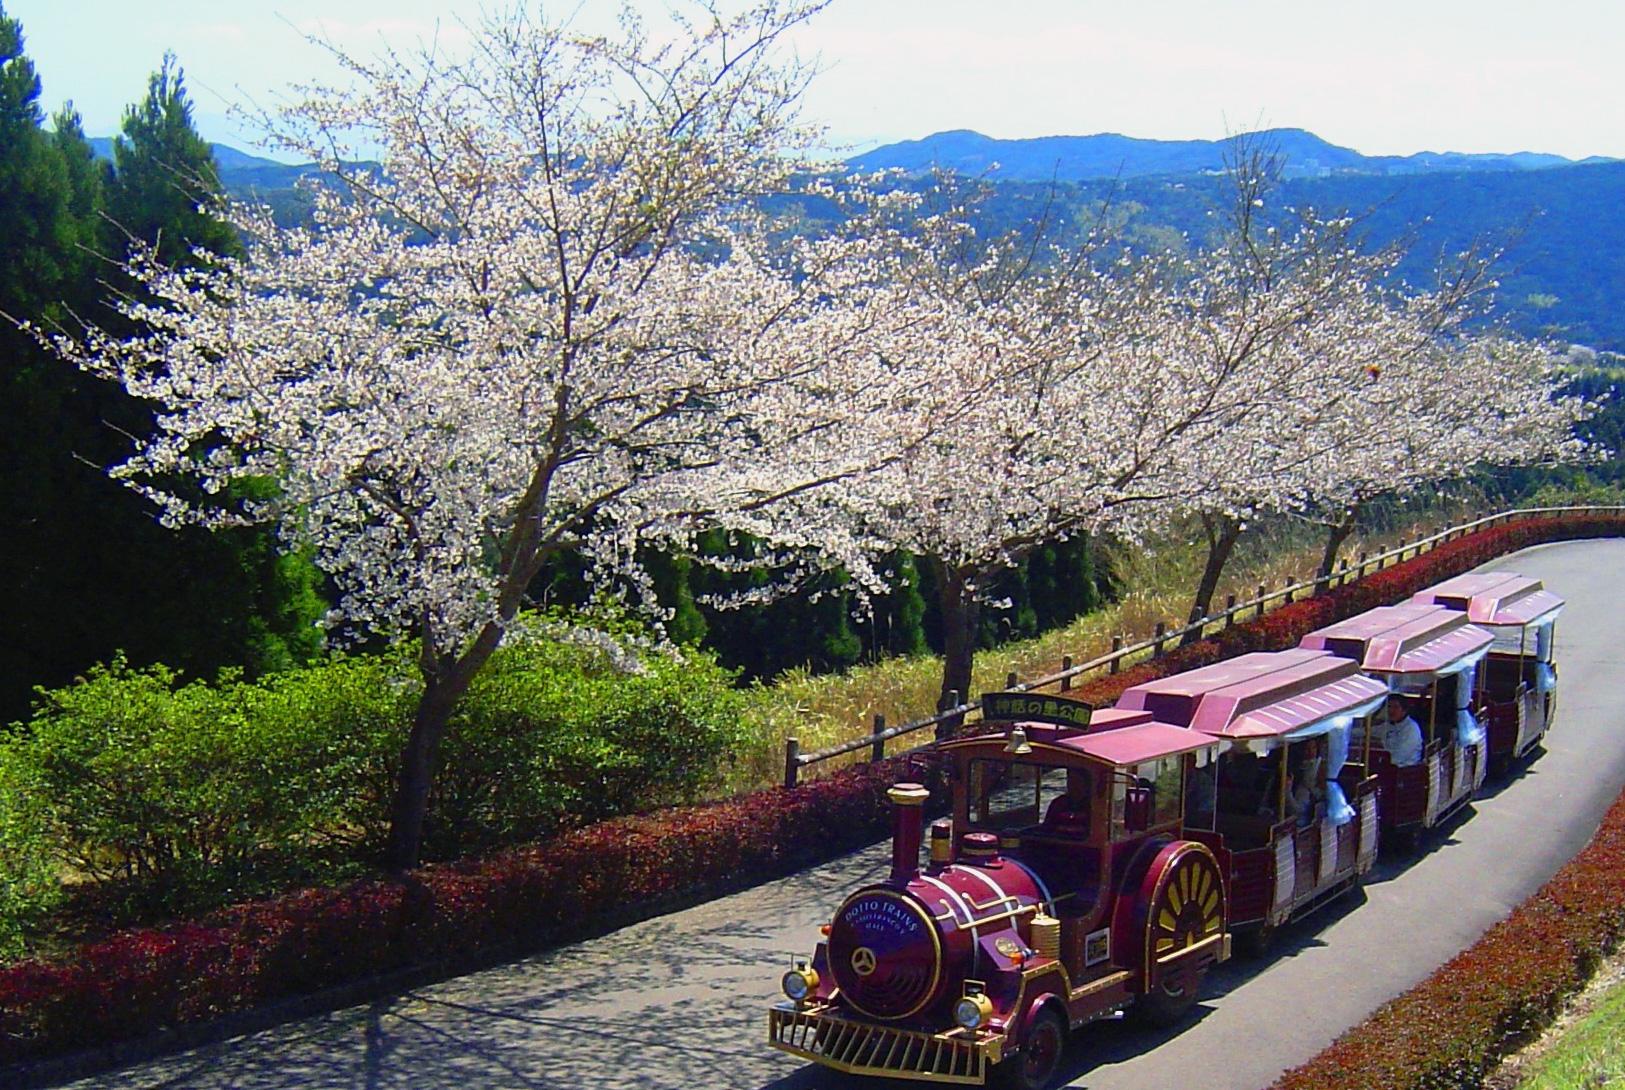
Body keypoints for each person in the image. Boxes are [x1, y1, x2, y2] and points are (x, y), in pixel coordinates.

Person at [1378, 695, 1425, 767]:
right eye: (1389, 707)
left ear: (1404, 710)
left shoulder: (1411, 729)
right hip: (1390, 767)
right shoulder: (1388, 726)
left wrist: (1381, 762)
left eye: (1396, 707)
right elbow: (1367, 731)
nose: (1391, 710)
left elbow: (1400, 756)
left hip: (1407, 770)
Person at [1043, 769, 1092, 835]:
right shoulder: (1058, 803)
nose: (1072, 785)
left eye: (1077, 781)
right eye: (1070, 781)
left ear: (1085, 784)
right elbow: (1047, 828)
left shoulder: (1092, 805)